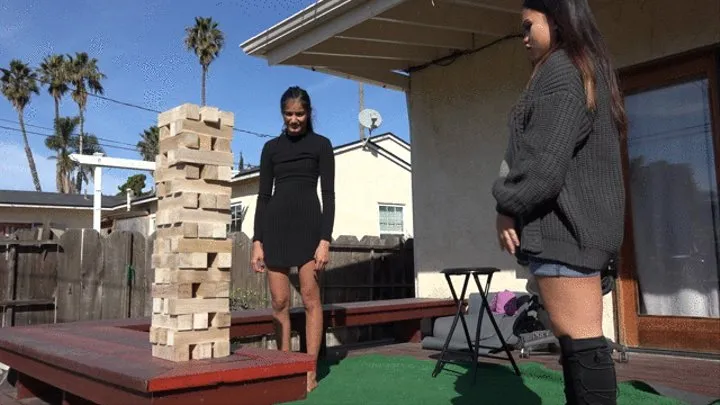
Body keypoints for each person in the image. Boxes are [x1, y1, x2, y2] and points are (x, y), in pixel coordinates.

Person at [492, 0, 626, 404]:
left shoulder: (561, 72)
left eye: (528, 26)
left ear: (556, 18)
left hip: (566, 229)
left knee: (582, 347)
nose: (524, 38)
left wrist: (506, 205)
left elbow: (542, 167)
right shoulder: (583, 68)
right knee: (578, 346)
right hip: (580, 231)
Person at [250, 86, 335, 393]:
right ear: (282, 114)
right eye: (289, 114)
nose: (294, 119)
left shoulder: (322, 146)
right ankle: (285, 364)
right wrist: (257, 241)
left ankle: (310, 370)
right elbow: (262, 196)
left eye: (299, 113)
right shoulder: (271, 148)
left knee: (311, 299)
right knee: (279, 302)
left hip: (310, 230)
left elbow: (329, 195)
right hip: (275, 229)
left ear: (309, 113)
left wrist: (325, 239)